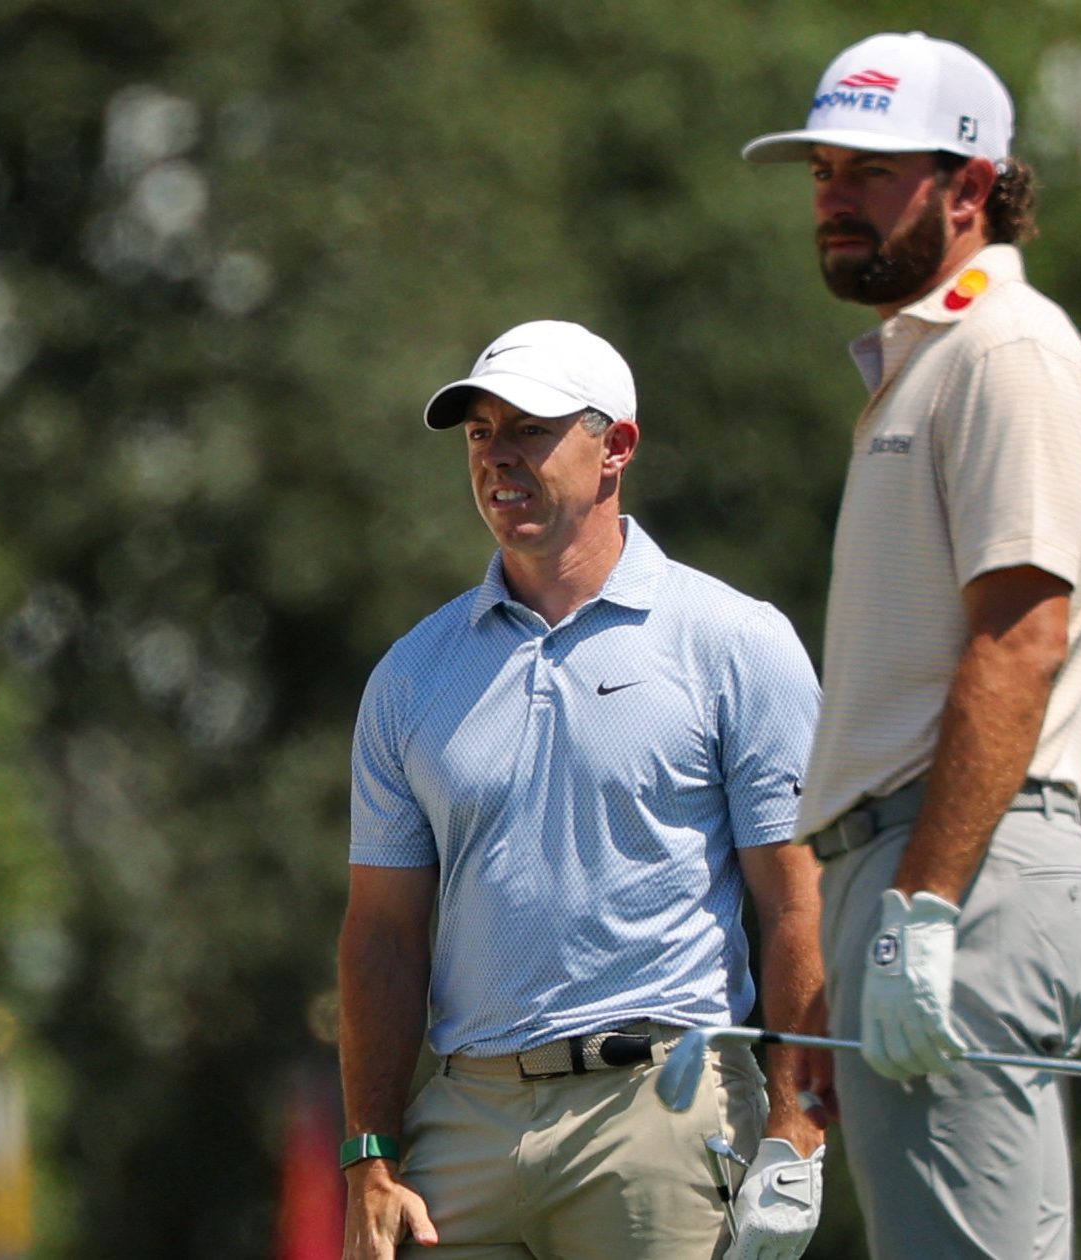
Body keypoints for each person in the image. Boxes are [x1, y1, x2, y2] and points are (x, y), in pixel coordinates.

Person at [742, 31, 1081, 1260]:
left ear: (970, 187)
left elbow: (1020, 640)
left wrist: (921, 907)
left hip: (960, 870)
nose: (833, 199)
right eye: (822, 174)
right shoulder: (929, 362)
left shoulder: (1002, 354)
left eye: (871, 172)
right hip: (915, 873)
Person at [337, 320, 829, 1260]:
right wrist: (370, 1152)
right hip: (465, 1119)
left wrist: (797, 1131)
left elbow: (798, 900)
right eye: (481, 435)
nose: (498, 460)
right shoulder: (412, 675)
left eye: (531, 430)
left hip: (663, 1109)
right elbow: (381, 933)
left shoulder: (733, 642)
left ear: (617, 448)